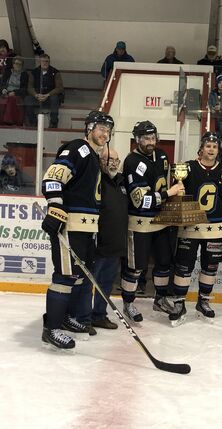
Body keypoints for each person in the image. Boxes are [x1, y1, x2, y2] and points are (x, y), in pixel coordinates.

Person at [41, 110, 114, 350]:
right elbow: (52, 179)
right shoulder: (78, 149)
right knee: (64, 277)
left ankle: (65, 318)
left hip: (87, 228)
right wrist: (55, 208)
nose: (105, 134)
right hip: (70, 226)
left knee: (80, 276)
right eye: (101, 128)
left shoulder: (93, 156)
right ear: (89, 128)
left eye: (108, 131)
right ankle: (51, 328)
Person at [168, 132, 222, 325]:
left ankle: (203, 302)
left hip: (216, 227)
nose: (211, 149)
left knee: (210, 267)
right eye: (208, 146)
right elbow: (176, 194)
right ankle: (179, 304)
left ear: (218, 150)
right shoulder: (188, 167)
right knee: (183, 266)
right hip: (191, 226)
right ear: (202, 148)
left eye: (214, 147)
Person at [121, 120, 184, 322]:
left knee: (164, 262)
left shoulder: (163, 155)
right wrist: (169, 193)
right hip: (139, 223)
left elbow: (165, 183)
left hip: (162, 221)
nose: (150, 141)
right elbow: (140, 201)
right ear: (137, 139)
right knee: (136, 266)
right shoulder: (132, 161)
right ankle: (128, 302)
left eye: (152, 137)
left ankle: (160, 299)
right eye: (146, 138)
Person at [90, 147, 127, 330]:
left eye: (116, 160)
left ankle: (99, 314)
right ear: (100, 161)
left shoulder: (122, 182)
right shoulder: (96, 180)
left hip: (115, 244)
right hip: (98, 245)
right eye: (109, 159)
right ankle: (81, 316)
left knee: (105, 283)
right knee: (88, 284)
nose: (113, 163)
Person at [24, 53, 64, 128]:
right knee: (27, 99)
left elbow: (59, 88)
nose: (45, 63)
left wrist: (48, 95)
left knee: (55, 98)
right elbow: (29, 87)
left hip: (50, 96)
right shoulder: (34, 72)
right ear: (39, 62)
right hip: (37, 96)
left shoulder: (55, 72)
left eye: (47, 61)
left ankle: (53, 122)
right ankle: (33, 122)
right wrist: (36, 95)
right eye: (43, 61)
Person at [0, 56, 28, 126]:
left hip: (17, 93)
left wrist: (15, 92)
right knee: (3, 99)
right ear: (13, 64)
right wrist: (3, 89)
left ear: (22, 65)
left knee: (11, 99)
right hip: (6, 92)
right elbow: (2, 83)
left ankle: (8, 121)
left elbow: (25, 88)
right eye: (16, 63)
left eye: (20, 64)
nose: (18, 65)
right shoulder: (8, 72)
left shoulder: (25, 74)